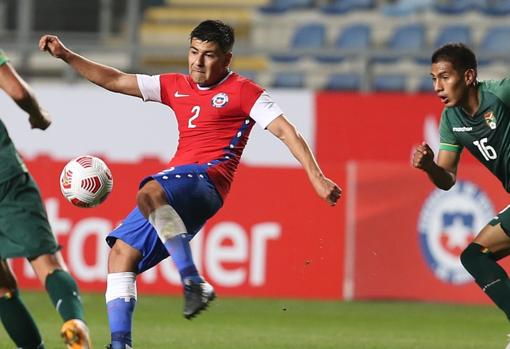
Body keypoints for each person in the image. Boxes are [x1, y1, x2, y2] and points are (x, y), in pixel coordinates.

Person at [39, 19, 341, 349]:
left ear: (227, 59)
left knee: (149, 191)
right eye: (193, 52)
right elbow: (115, 79)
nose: (198, 62)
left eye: (209, 55)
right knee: (120, 254)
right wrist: (66, 55)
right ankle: (120, 343)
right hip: (178, 188)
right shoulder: (175, 85)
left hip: (208, 180)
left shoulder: (244, 91)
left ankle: (193, 281)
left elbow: (286, 131)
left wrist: (316, 176)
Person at [413, 42, 510, 347]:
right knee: (474, 256)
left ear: (468, 76)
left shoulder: (501, 94)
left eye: (444, 77)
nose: (437, 87)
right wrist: (430, 166)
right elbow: (447, 179)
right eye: (433, 79)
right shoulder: (451, 120)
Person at [0, 50, 92, 348]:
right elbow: (16, 89)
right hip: (6, 175)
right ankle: (73, 322)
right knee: (46, 262)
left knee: (1, 288)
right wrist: (37, 114)